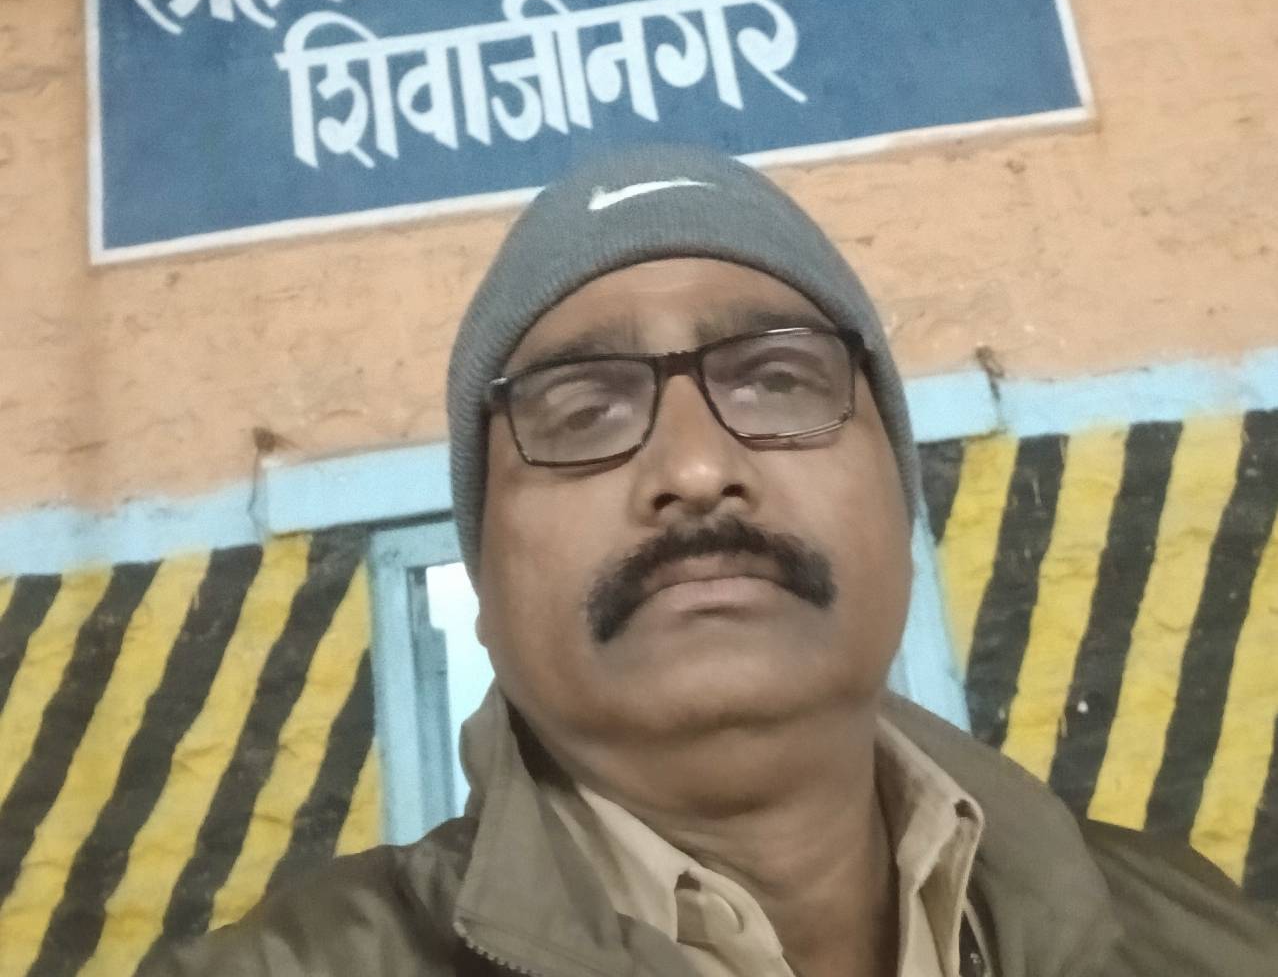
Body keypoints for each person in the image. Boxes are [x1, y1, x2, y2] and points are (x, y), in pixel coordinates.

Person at [142, 144, 1276, 976]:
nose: (693, 467)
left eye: (776, 379)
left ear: (898, 500)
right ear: (483, 586)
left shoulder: (1203, 939)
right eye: (580, 411)